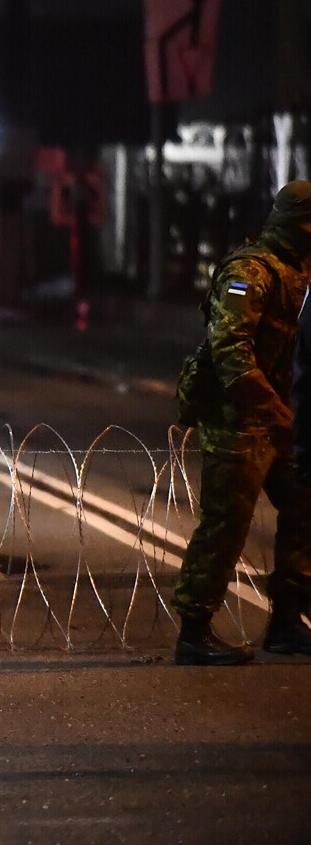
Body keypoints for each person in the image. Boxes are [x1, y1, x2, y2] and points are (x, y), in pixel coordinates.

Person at [172, 180, 311, 664]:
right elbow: (230, 350)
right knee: (228, 521)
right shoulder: (250, 270)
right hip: (239, 416)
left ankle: (289, 621)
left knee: (305, 504)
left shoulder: (299, 269)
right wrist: (275, 411)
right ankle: (194, 629)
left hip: (281, 414)